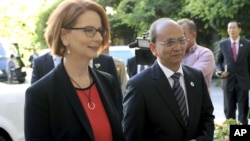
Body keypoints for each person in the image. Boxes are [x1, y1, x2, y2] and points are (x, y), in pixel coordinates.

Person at [24, 0, 125, 140]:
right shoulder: (40, 94)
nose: (99, 38)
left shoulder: (108, 82)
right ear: (64, 36)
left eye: (100, 30)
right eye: (89, 30)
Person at [122, 18, 215, 141]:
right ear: (153, 48)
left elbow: (207, 118)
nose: (178, 47)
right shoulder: (138, 86)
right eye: (169, 42)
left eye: (182, 41)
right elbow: (132, 136)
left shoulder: (196, 77)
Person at [215, 20, 250, 125]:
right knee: (229, 110)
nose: (231, 30)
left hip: (243, 82)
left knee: (243, 111)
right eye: (229, 27)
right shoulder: (222, 44)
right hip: (228, 81)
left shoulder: (247, 44)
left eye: (234, 27)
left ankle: (242, 133)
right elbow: (218, 62)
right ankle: (230, 133)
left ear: (239, 29)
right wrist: (220, 71)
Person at [177, 18, 215, 93]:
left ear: (193, 35)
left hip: (197, 102)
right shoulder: (173, 53)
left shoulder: (205, 53)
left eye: (182, 34)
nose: (178, 38)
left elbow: (191, 76)